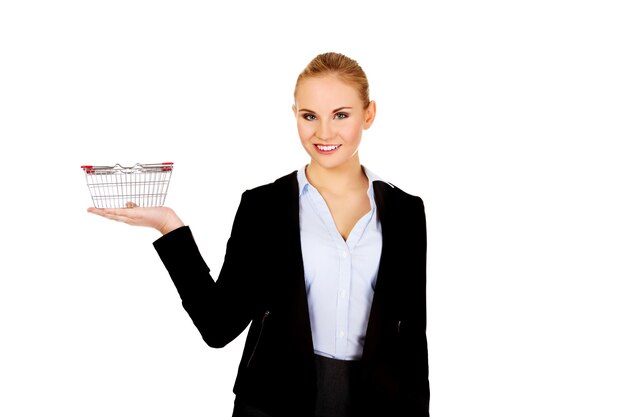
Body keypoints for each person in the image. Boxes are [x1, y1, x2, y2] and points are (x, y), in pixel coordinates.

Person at [87, 52, 430, 417]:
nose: (324, 132)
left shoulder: (406, 212)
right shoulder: (264, 207)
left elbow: (412, 337)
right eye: (309, 116)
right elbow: (217, 326)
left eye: (341, 115)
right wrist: (168, 226)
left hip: (377, 403)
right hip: (275, 399)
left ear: (369, 114)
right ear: (294, 114)